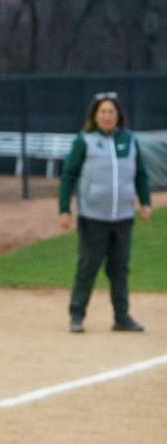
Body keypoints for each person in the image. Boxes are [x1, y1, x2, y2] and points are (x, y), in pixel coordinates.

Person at [59, 91, 152, 333]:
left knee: (120, 268)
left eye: (111, 112)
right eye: (103, 112)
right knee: (88, 266)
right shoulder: (85, 141)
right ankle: (77, 315)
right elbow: (69, 175)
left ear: (118, 115)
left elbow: (140, 173)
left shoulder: (130, 140)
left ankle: (122, 317)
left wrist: (145, 202)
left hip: (122, 216)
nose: (107, 116)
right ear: (95, 115)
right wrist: (64, 209)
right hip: (93, 217)